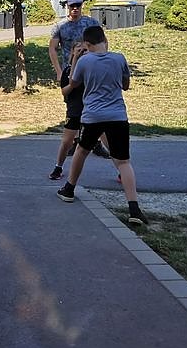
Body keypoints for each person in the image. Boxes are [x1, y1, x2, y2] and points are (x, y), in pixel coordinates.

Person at [56, 25, 148, 225]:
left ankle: (69, 189)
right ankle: (134, 209)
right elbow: (126, 85)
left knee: (81, 150)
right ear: (105, 40)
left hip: (92, 116)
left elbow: (73, 82)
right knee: (123, 162)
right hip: (117, 116)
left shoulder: (85, 61)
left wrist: (76, 58)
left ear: (87, 44)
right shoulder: (119, 58)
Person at [48, 0, 110, 159]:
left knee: (93, 104)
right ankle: (75, 141)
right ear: (67, 6)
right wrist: (59, 71)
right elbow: (52, 48)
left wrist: (102, 61)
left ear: (82, 5)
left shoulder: (91, 23)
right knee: (73, 106)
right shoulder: (60, 26)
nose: (75, 8)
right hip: (71, 71)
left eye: (78, 5)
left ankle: (95, 142)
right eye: (72, 6)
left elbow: (104, 42)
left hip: (91, 71)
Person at [50, 42, 121, 183]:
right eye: (79, 51)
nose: (83, 53)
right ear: (73, 52)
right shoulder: (68, 70)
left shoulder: (92, 68)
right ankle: (58, 167)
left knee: (108, 141)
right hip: (75, 110)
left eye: (85, 50)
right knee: (66, 142)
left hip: (93, 110)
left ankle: (121, 170)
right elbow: (65, 91)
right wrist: (75, 62)